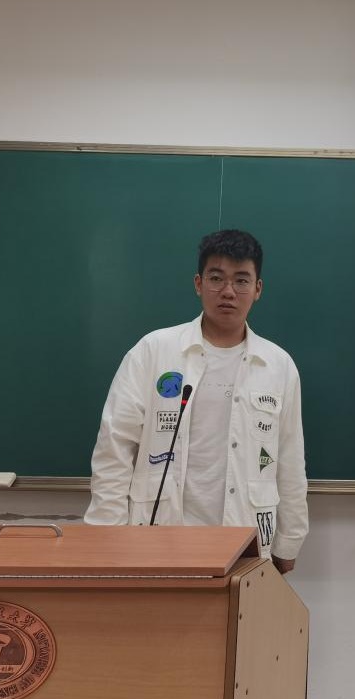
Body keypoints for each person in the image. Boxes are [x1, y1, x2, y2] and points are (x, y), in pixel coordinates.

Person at [85, 229, 307, 573]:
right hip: (158, 535)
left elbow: (290, 461)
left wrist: (289, 539)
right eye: (216, 278)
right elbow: (114, 447)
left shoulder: (278, 366)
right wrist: (107, 534)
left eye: (242, 280)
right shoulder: (153, 351)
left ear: (258, 289)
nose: (228, 291)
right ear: (198, 284)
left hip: (243, 538)